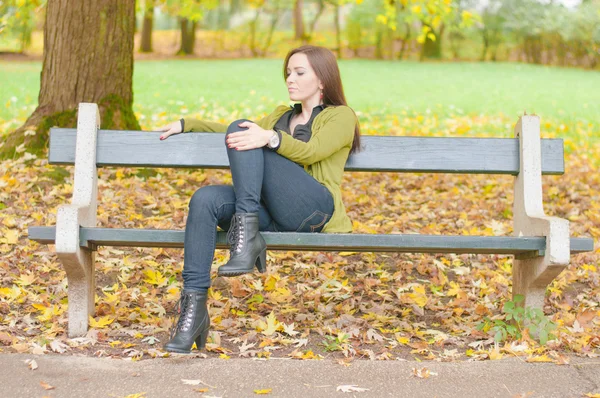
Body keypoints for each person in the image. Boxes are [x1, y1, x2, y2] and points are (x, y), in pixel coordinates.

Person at [157, 45, 361, 354]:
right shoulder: (281, 115)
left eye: (299, 72)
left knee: (251, 132)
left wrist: (271, 138)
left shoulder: (341, 116)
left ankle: (246, 235)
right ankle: (193, 312)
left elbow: (314, 151)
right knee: (205, 199)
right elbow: (236, 134)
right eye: (288, 72)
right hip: (274, 214)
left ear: (322, 80)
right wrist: (189, 125)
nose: (290, 79)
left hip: (313, 210)